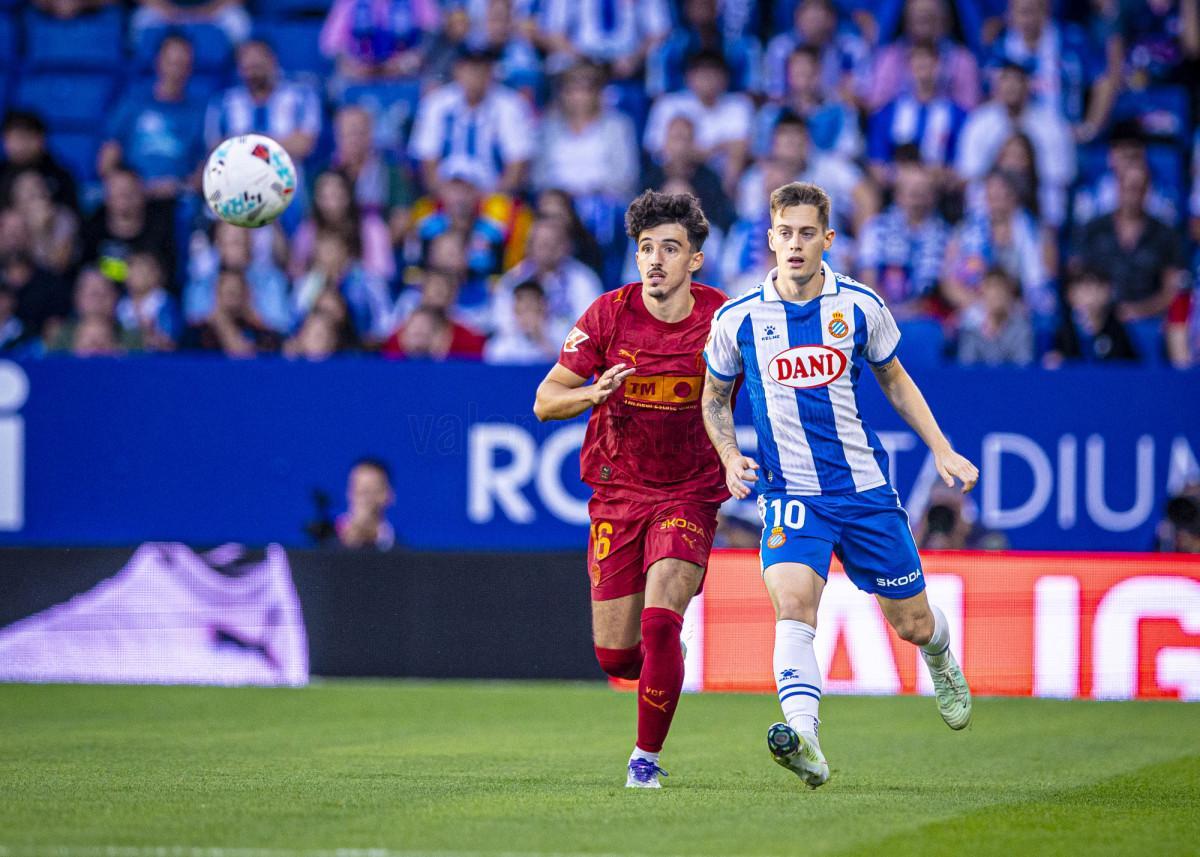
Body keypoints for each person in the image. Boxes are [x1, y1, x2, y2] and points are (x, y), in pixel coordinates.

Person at [701, 181, 977, 788]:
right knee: (794, 605)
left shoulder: (859, 307)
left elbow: (896, 380)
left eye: (807, 234)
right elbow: (714, 397)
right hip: (791, 495)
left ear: (827, 239)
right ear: (769, 239)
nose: (794, 245)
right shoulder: (738, 319)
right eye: (784, 234)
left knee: (913, 623)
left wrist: (941, 446)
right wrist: (726, 454)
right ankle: (804, 738)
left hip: (864, 494)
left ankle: (940, 657)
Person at [532, 190, 728, 789]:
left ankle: (644, 761)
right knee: (617, 657)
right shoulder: (607, 315)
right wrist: (591, 396)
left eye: (670, 248)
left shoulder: (725, 318)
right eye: (646, 248)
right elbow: (544, 401)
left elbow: (767, 386)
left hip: (690, 490)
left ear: (694, 260)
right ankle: (664, 665)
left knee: (661, 620)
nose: (656, 260)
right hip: (620, 492)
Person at [408, 47, 535, 195]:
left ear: (490, 73)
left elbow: (517, 163)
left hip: (493, 194)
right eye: (469, 70)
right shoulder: (436, 104)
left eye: (481, 70)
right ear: (457, 71)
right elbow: (428, 160)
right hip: (446, 195)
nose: (475, 77)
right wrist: (445, 195)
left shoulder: (511, 105)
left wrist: (497, 194)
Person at [99, 33, 206, 200]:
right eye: (172, 62)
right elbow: (106, 163)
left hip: (177, 197)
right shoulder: (131, 104)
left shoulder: (200, 113)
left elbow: (203, 171)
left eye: (183, 64)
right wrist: (133, 187)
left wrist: (179, 186)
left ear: (191, 68)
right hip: (132, 196)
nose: (177, 70)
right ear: (158, 62)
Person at [205, 40, 321, 164]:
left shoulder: (302, 96)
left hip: (289, 179)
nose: (253, 73)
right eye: (248, 68)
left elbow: (303, 145)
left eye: (258, 66)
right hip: (238, 179)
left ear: (273, 61)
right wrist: (275, 144)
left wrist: (247, 144)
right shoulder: (222, 102)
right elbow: (216, 150)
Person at [1044, 269, 1139, 367]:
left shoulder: (1117, 327)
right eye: (1084, 289)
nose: (1091, 295)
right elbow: (1056, 358)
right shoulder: (1064, 328)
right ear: (1070, 295)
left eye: (1096, 288)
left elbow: (1131, 364)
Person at [955, 267, 1034, 366]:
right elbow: (965, 368)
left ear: (1009, 294)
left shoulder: (1021, 328)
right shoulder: (971, 329)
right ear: (983, 292)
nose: (997, 294)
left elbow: (1023, 367)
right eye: (992, 288)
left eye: (1001, 289)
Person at [483, 279, 558, 365]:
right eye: (522, 311)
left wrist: (540, 338)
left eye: (531, 309)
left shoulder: (561, 335)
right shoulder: (500, 344)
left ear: (543, 307)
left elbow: (565, 371)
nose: (527, 317)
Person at [335, 458, 397, 550]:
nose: (362, 499)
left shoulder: (404, 556)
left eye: (368, 491)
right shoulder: (325, 548)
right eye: (356, 490)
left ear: (388, 496)